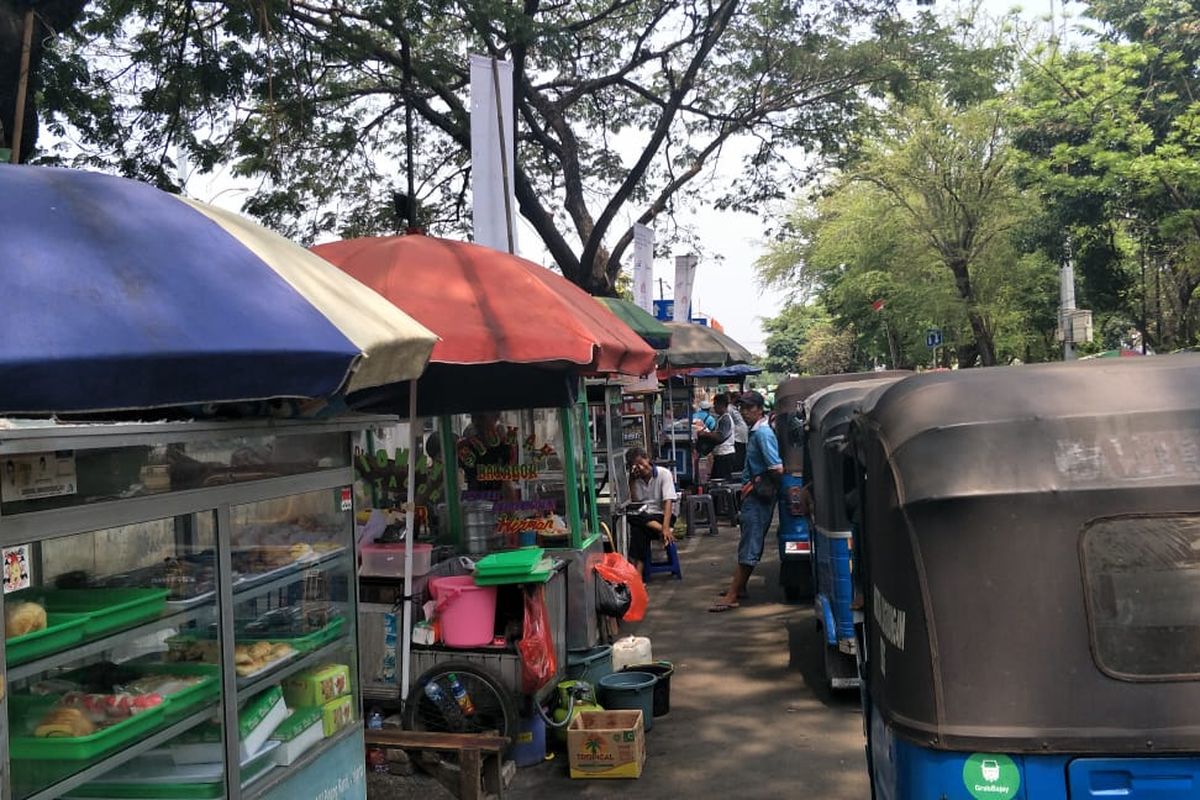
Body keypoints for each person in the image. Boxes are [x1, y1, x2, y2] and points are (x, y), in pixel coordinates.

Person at [711, 390, 782, 612]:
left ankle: (733, 594)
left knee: (749, 545)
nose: (744, 412)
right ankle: (739, 588)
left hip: (758, 497)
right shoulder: (756, 432)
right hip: (754, 495)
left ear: (759, 409)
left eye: (748, 408)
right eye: (741, 407)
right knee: (750, 542)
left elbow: (776, 467)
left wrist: (762, 483)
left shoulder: (762, 434)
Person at [625, 446, 677, 573]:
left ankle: (636, 573)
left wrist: (665, 527)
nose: (641, 468)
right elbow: (635, 502)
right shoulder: (634, 478)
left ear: (647, 459)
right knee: (633, 518)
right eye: (636, 466)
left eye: (641, 464)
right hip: (643, 516)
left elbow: (668, 502)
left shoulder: (664, 474)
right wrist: (631, 481)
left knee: (638, 528)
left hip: (662, 516)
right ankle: (637, 575)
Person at [697, 393, 737, 481]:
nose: (714, 407)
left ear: (721, 405)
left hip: (725, 454)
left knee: (721, 481)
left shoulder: (725, 419)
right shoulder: (721, 418)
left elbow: (720, 437)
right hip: (720, 454)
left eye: (715, 404)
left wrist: (705, 434)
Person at [729, 398, 750, 472]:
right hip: (737, 435)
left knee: (741, 453)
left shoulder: (735, 409)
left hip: (742, 435)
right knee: (739, 453)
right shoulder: (730, 409)